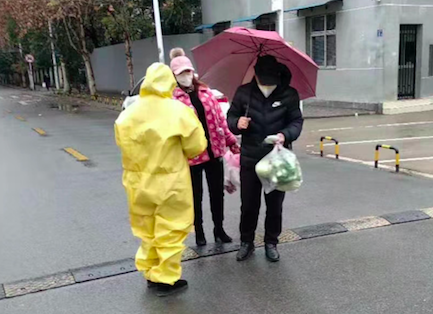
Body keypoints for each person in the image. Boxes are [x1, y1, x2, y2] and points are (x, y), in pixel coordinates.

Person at [115, 62, 207, 296]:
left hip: (137, 182)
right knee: (171, 229)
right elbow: (196, 146)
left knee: (146, 229)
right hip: (170, 181)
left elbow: (121, 141)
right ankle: (165, 278)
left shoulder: (129, 112)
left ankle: (150, 272)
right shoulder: (178, 111)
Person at [227, 55, 303, 262]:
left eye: (272, 78)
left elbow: (296, 121)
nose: (268, 82)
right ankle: (246, 242)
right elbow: (230, 117)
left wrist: (285, 135)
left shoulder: (289, 94)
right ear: (256, 74)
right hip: (250, 158)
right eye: (264, 78)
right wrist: (237, 123)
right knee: (249, 205)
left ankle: (271, 242)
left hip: (277, 160)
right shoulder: (244, 93)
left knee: (274, 205)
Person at [169, 48, 240, 246]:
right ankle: (199, 231)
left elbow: (220, 121)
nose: (186, 76)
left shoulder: (206, 92)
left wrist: (231, 141)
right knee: (195, 197)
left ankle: (219, 229)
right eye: (182, 73)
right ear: (174, 76)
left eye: (188, 71)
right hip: (191, 157)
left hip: (214, 152)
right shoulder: (172, 99)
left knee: (217, 194)